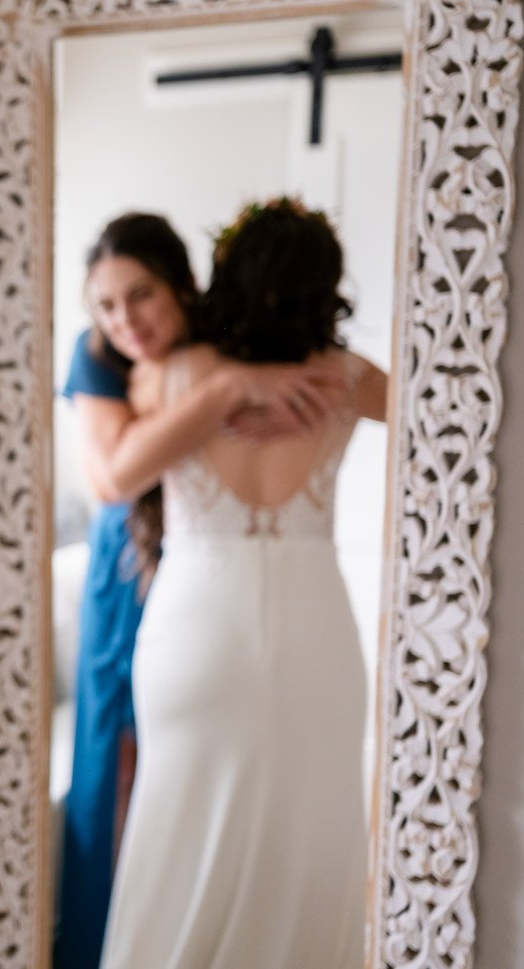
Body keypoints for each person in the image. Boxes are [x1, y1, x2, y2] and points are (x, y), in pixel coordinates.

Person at [99, 198, 387, 969]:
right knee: (313, 833)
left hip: (196, 626)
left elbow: (117, 469)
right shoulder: (351, 381)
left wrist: (235, 387)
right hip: (316, 627)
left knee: (177, 830)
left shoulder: (173, 376)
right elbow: (442, 402)